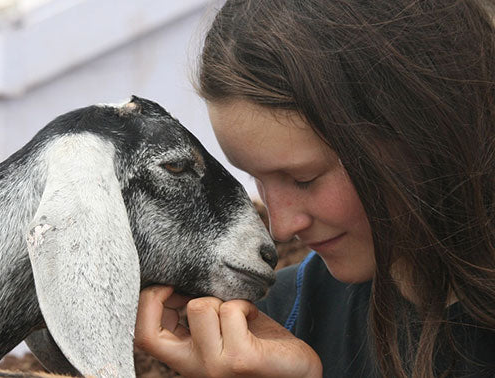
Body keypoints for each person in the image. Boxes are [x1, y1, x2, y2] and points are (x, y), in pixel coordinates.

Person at [134, 0, 495, 377]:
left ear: (422, 130)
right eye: (256, 178)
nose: (280, 227)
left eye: (304, 178)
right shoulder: (269, 331)